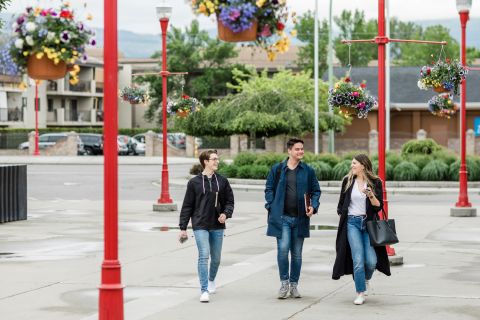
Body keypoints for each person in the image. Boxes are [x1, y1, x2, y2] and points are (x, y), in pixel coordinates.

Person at [264, 138, 321, 299]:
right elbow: (268, 188)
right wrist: (271, 204)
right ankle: (284, 283)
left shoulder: (308, 170)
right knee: (283, 250)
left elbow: (316, 191)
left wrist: (313, 206)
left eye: (302, 149)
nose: (300, 152)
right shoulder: (278, 169)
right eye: (297, 149)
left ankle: (294, 285)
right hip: (282, 218)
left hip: (300, 219)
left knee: (296, 254)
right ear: (289, 151)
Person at [332, 154, 391, 305]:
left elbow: (378, 206)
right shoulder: (348, 180)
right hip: (352, 224)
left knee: (371, 262)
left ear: (363, 165)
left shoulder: (375, 182)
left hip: (368, 225)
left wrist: (370, 195)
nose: (352, 166)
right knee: (357, 260)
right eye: (352, 163)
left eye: (354, 163)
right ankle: (360, 292)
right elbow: (340, 204)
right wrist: (342, 217)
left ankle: (365, 280)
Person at [179, 150, 234, 303]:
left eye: (217, 159)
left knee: (216, 259)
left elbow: (230, 201)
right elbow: (187, 206)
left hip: (217, 225)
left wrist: (226, 213)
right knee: (204, 255)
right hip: (200, 225)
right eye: (214, 159)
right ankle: (204, 290)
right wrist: (183, 227)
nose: (217, 161)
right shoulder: (194, 183)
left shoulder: (222, 181)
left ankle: (211, 280)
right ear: (205, 161)